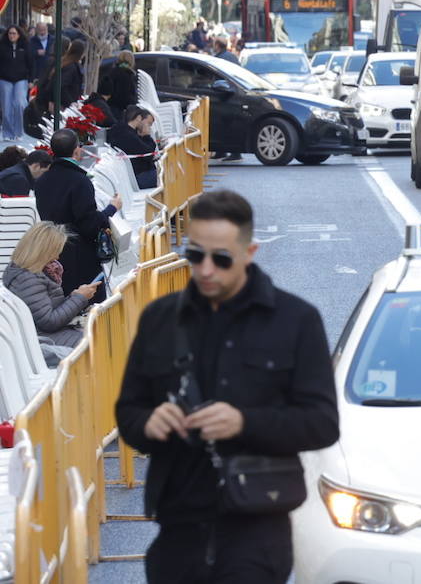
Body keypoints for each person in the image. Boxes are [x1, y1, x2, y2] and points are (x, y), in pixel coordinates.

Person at [115, 190, 338, 584]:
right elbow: (128, 411)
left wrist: (244, 423)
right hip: (178, 528)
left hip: (256, 528)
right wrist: (149, 424)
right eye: (195, 255)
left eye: (221, 259)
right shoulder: (160, 319)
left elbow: (321, 423)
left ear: (249, 252)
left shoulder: (295, 320)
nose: (205, 270)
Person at [34, 129, 121, 302]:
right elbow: (89, 224)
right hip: (79, 254)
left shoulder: (42, 181)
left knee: (63, 302)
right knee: (89, 304)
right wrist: (112, 209)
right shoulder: (80, 181)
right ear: (77, 150)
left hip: (52, 250)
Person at [1, 221, 99, 349]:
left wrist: (74, 296)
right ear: (43, 251)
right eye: (55, 251)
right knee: (101, 340)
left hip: (42, 335)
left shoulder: (23, 272)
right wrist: (80, 298)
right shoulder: (29, 279)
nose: (58, 256)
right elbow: (49, 322)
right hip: (45, 340)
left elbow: (45, 312)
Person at [108, 105, 159, 189]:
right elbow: (149, 154)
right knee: (170, 173)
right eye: (148, 124)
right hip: (138, 177)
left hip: (134, 175)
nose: (148, 127)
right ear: (139, 118)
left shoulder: (122, 131)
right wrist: (146, 136)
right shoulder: (128, 135)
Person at [0, 24, 33, 141]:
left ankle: (19, 132)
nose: (12, 36)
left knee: (20, 104)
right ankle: (8, 133)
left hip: (21, 79)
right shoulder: (2, 46)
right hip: (5, 80)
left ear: (19, 35)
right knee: (6, 107)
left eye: (14, 33)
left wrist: (31, 80)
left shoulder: (25, 46)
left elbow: (31, 64)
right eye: (10, 33)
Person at [40, 38, 87, 114]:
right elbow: (61, 86)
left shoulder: (66, 63)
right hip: (62, 105)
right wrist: (70, 102)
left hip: (59, 103)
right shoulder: (71, 67)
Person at [105, 50, 138, 117]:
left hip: (110, 107)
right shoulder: (128, 75)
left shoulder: (112, 72)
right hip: (120, 110)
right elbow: (126, 96)